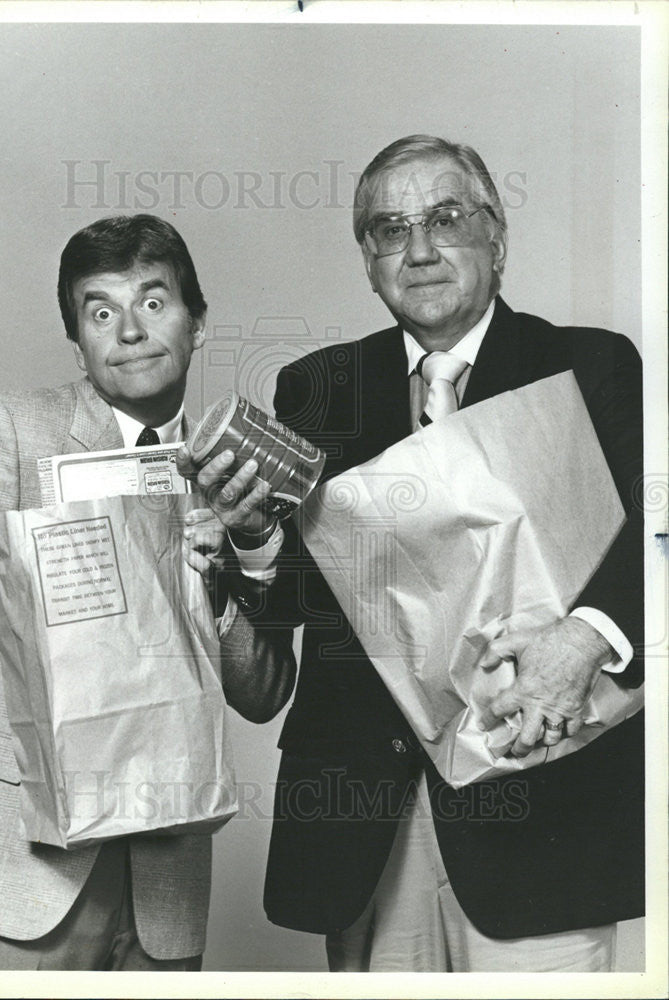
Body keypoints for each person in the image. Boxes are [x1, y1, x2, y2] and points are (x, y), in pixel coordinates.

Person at [187, 135, 644, 972]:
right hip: (367, 824)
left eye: (444, 219)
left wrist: (580, 642)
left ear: (496, 234)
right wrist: (251, 543)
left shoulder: (589, 364)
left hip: (543, 820)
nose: (420, 249)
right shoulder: (316, 388)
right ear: (367, 260)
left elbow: (655, 539)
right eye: (389, 230)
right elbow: (295, 611)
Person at [0, 213, 294, 971]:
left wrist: (220, 589)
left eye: (154, 303)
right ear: (78, 341)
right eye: (101, 311)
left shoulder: (230, 476)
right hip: (13, 870)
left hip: (162, 888)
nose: (129, 330)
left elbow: (263, 693)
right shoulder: (15, 429)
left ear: (198, 322)